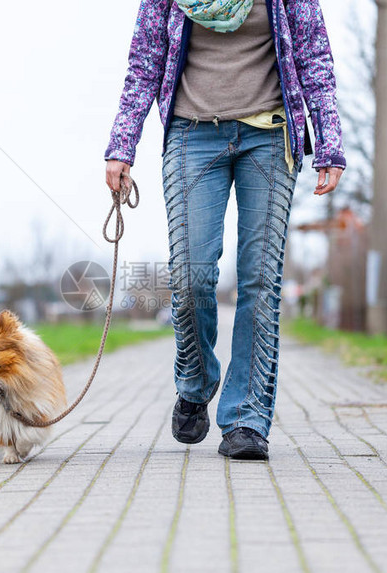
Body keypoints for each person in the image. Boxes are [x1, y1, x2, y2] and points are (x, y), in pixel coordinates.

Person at [105, 0, 345, 460]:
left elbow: (314, 55)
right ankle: (195, 382)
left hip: (270, 135)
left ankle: (246, 419)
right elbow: (145, 61)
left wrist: (329, 142)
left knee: (260, 280)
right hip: (191, 135)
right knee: (190, 275)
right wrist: (122, 144)